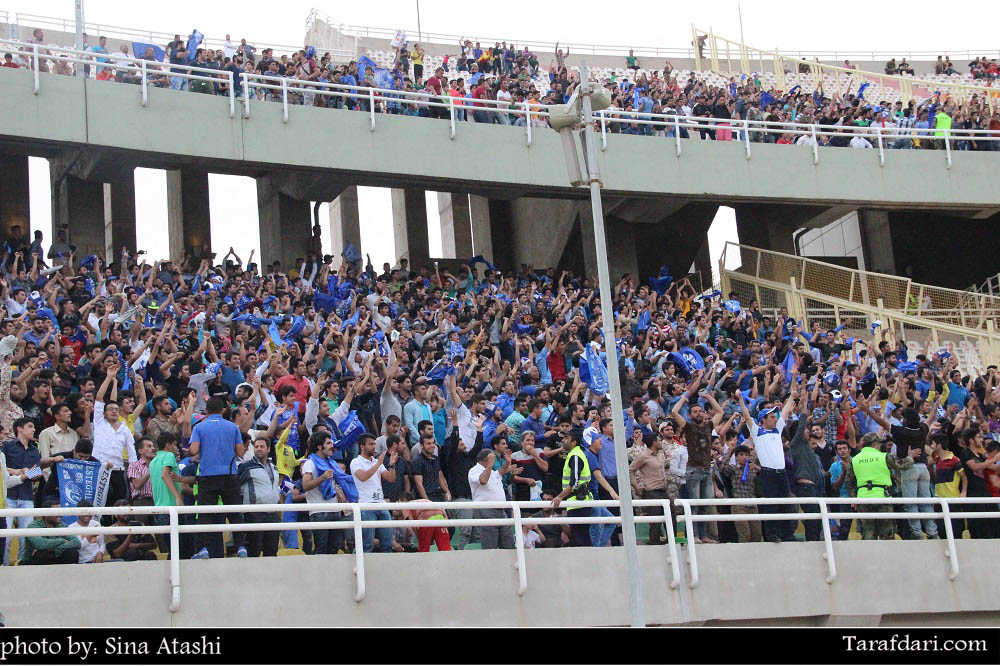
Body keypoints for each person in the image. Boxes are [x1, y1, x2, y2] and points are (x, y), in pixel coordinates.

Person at [189, 397, 247, 559]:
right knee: (234, 511)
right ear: (223, 410)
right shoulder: (232, 427)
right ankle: (241, 546)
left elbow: (193, 450)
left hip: (207, 475)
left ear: (206, 411)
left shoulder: (200, 427)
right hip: (229, 474)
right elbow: (241, 452)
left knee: (205, 513)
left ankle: (203, 549)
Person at [93, 363, 138, 510]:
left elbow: (132, 453)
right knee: (100, 504)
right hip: (100, 469)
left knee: (119, 503)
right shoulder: (100, 423)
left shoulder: (124, 429)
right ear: (104, 413)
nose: (114, 411)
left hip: (118, 471)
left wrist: (133, 475)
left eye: (116, 409)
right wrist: (109, 377)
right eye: (110, 409)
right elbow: (99, 398)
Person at [350, 432, 398, 553]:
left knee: (387, 544)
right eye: (371, 444)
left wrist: (392, 466)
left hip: (381, 504)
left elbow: (391, 478)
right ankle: (363, 570)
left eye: (374, 444)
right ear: (362, 446)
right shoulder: (356, 462)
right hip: (366, 505)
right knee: (367, 545)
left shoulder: (376, 462)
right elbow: (363, 477)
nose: (374, 447)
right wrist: (378, 463)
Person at [237, 436, 281, 557]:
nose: (258, 449)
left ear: (268, 449)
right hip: (254, 513)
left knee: (272, 550)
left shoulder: (274, 467)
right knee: (254, 549)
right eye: (256, 447)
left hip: (272, 513)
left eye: (261, 446)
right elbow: (235, 487)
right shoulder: (246, 467)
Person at [551, 430, 592, 547]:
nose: (563, 440)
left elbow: (574, 482)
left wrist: (559, 497)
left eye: (566, 438)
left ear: (574, 442)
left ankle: (585, 563)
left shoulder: (575, 456)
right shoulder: (575, 454)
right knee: (580, 537)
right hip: (578, 501)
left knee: (580, 539)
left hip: (579, 503)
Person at [467, 448, 514, 549]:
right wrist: (489, 465)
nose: (495, 461)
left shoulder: (491, 471)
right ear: (486, 460)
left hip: (501, 510)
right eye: (493, 458)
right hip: (486, 510)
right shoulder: (474, 471)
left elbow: (500, 472)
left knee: (508, 544)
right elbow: (483, 480)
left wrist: (508, 462)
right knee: (490, 545)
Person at [19, 499, 80, 565]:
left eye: (60, 511)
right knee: (42, 554)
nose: (60, 514)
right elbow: (41, 544)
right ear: (45, 514)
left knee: (72, 552)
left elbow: (77, 543)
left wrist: (56, 550)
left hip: (54, 558)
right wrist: (62, 540)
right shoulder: (33, 526)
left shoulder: (62, 525)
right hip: (31, 563)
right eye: (56, 512)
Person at [74, 500, 105, 564]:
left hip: (99, 560)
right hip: (83, 562)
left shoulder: (96, 524)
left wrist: (100, 552)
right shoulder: (71, 528)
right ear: (78, 513)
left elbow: (102, 543)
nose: (87, 514)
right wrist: (90, 535)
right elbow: (78, 548)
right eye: (84, 512)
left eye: (89, 512)